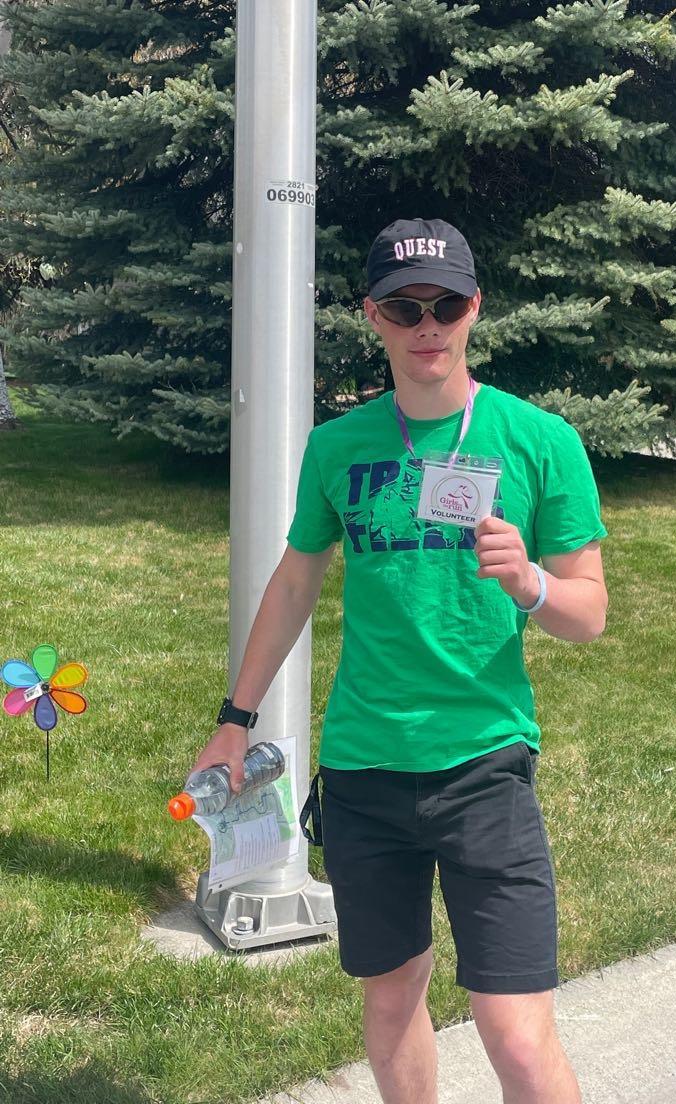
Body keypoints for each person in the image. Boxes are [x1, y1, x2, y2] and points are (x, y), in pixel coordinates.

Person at [191, 217, 608, 1104]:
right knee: (390, 1003)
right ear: (372, 316)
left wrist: (531, 582)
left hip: (485, 765)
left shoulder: (540, 441)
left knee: (517, 1035)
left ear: (475, 309)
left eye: (445, 306)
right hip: (364, 773)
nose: (428, 327)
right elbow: (295, 583)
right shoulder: (338, 447)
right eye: (405, 308)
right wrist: (235, 721)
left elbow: (590, 614)